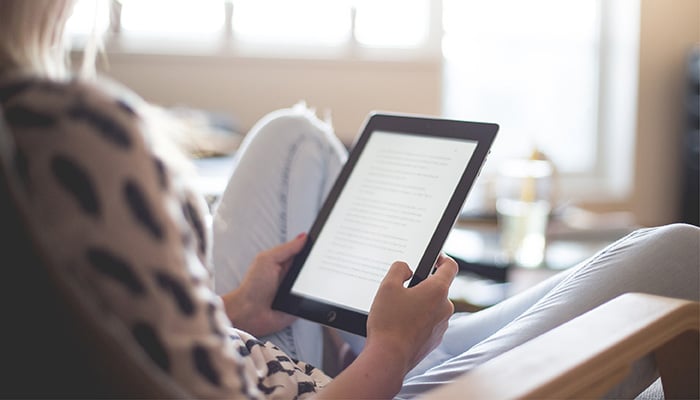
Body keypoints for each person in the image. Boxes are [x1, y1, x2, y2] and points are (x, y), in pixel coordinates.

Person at [0, 1, 697, 398]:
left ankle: (382, 334)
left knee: (293, 137)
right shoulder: (63, 135)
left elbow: (139, 341)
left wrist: (238, 308)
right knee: (680, 254)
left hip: (265, 354)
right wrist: (386, 357)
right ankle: (399, 343)